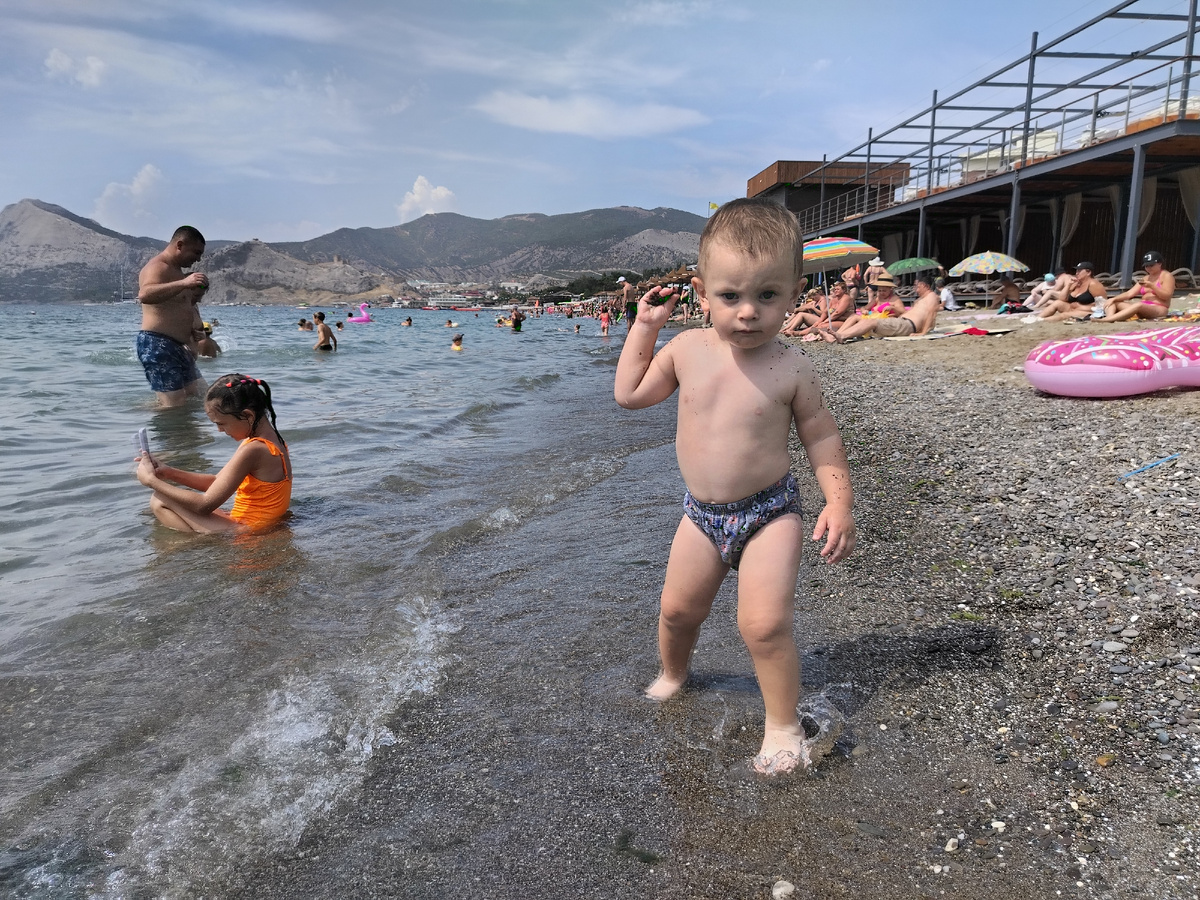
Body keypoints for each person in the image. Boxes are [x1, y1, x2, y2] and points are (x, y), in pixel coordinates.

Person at [614, 199, 856, 776]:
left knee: (764, 624)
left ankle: (782, 726)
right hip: (700, 514)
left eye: (767, 296)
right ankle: (675, 674)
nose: (748, 313)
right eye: (730, 297)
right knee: (677, 611)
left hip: (771, 511)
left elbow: (821, 435)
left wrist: (839, 500)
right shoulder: (686, 349)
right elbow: (630, 395)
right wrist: (644, 329)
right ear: (702, 292)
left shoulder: (791, 366)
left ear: (795, 293)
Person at [135, 375, 291, 533]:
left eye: (221, 423)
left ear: (248, 416)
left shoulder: (254, 449)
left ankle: (188, 547)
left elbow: (204, 505)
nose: (219, 430)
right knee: (169, 499)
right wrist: (169, 472)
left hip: (248, 532)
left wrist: (151, 481)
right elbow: (216, 482)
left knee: (160, 498)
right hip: (254, 524)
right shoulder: (274, 442)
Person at [136, 225, 209, 407]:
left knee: (200, 396)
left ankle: (189, 435)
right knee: (174, 407)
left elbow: (177, 308)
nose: (198, 259)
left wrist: (192, 333)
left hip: (177, 346)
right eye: (196, 252)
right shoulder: (159, 266)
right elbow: (145, 295)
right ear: (180, 245)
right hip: (157, 345)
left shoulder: (176, 271)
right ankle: (143, 428)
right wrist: (184, 282)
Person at [820, 274, 942, 342]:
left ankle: (842, 336)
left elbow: (931, 314)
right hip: (901, 323)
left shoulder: (931, 296)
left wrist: (923, 332)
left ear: (924, 285)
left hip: (906, 324)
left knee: (871, 322)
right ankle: (836, 336)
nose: (916, 288)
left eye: (917, 285)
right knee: (859, 318)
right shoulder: (922, 299)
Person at [1102, 251, 1174, 322]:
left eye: (1151, 265)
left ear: (1159, 264)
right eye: (1146, 266)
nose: (1149, 268)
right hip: (1142, 307)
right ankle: (1109, 317)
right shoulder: (1146, 278)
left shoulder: (1166, 276)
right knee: (1113, 302)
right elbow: (1129, 293)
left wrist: (1152, 286)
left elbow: (1166, 295)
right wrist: (1113, 299)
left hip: (1159, 308)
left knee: (1139, 305)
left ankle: (1110, 319)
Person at [1031, 262, 1108, 322]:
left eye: (1080, 271)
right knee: (1057, 303)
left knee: (1064, 315)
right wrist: (1068, 285)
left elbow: (1102, 304)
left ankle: (1041, 320)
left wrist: (1087, 309)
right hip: (1072, 308)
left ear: (1088, 272)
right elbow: (1062, 298)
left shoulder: (1093, 284)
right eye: (1076, 271)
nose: (1077, 273)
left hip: (1086, 311)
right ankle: (1038, 318)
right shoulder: (1076, 284)